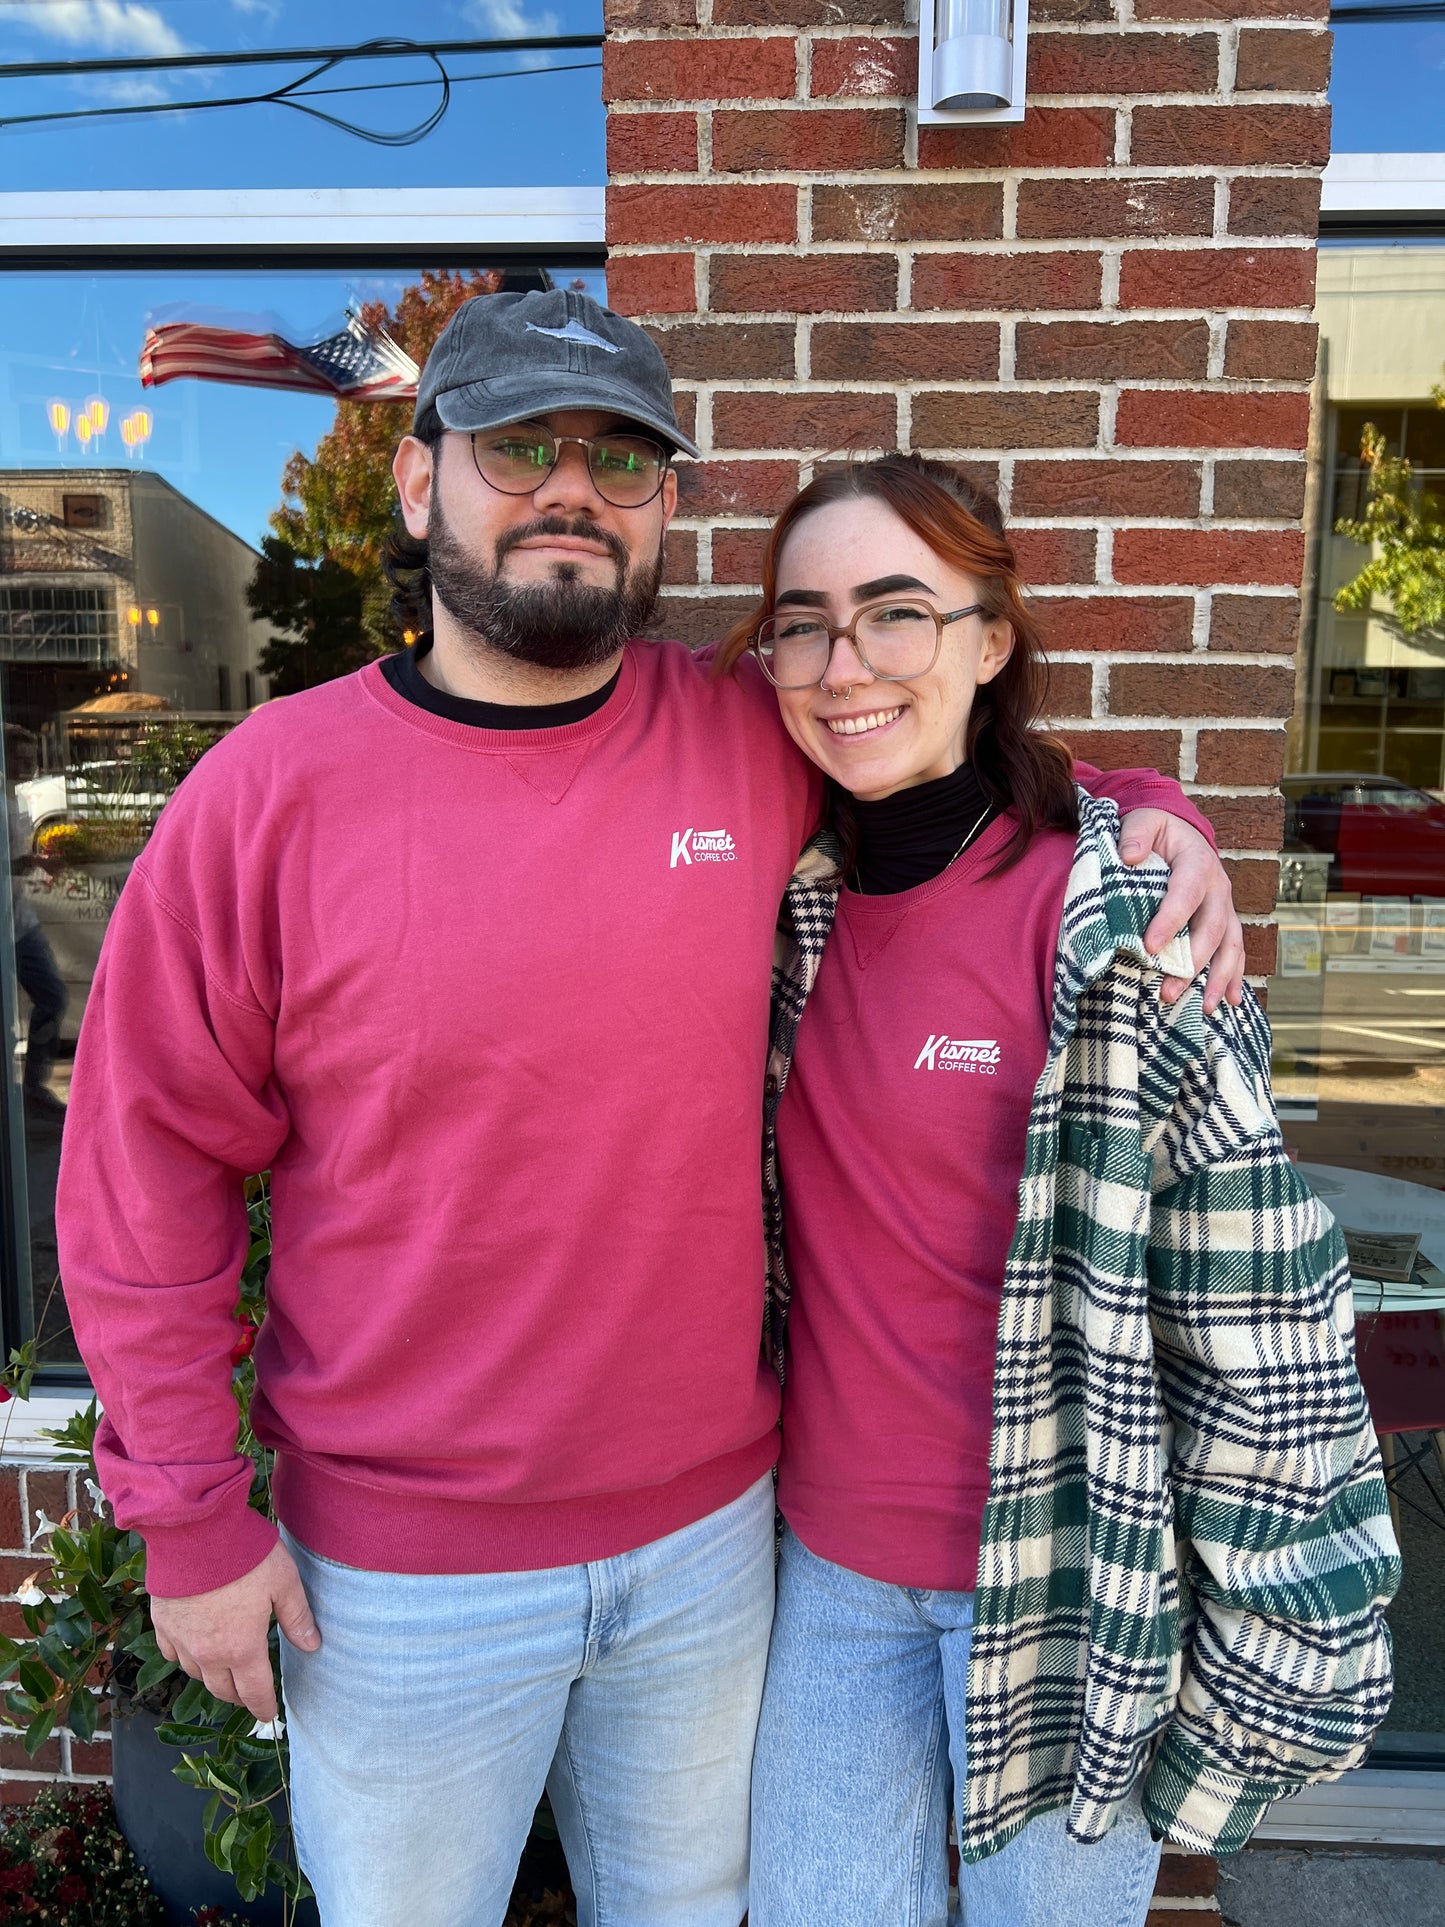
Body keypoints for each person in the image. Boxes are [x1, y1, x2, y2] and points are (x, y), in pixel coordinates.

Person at [58, 292, 1242, 1927]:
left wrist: (1158, 815)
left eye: (620, 460)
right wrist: (189, 1516)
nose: (571, 489)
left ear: (669, 504)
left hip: (715, 1545)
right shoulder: (272, 788)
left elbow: (959, 748)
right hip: (401, 1576)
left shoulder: (747, 730)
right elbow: (148, 1156)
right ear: (420, 486)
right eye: (519, 447)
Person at [707, 454, 1401, 1927]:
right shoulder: (786, 895)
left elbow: (1257, 1315)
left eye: (898, 613)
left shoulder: (1114, 926)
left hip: (1064, 1584)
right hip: (824, 1572)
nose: (846, 666)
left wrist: (1281, 1628)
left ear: (990, 639)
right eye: (804, 623)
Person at [4, 725, 67, 1118]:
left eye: (31, 759)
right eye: (20, 759)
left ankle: (34, 1088)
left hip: (19, 922)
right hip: (7, 924)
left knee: (53, 996)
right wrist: (31, 862)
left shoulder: (20, 801)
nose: (29, 766)